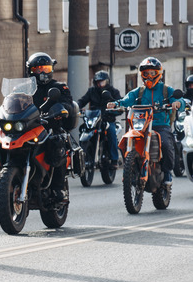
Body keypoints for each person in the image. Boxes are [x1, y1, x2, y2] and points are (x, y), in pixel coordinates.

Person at [107, 57, 182, 186]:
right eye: (146, 73)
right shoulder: (139, 92)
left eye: (152, 73)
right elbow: (125, 100)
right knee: (127, 141)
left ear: (158, 73)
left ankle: (167, 172)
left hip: (160, 125)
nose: (149, 76)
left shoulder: (165, 90)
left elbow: (182, 99)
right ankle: (132, 168)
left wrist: (177, 103)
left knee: (165, 144)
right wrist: (115, 104)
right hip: (141, 125)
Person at [26, 52, 75, 202]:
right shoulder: (24, 88)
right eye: (38, 69)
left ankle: (58, 189)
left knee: (57, 143)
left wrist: (61, 109)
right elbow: (13, 101)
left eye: (45, 69)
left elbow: (68, 103)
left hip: (51, 126)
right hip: (29, 127)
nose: (42, 73)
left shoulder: (59, 87)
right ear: (31, 71)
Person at [77, 70, 121, 168]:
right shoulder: (92, 91)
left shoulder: (113, 91)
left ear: (107, 81)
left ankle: (114, 159)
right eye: (98, 82)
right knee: (82, 129)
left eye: (102, 81)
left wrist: (115, 109)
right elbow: (83, 100)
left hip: (107, 119)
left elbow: (119, 103)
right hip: (94, 119)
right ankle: (82, 157)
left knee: (111, 132)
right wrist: (77, 106)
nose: (100, 84)